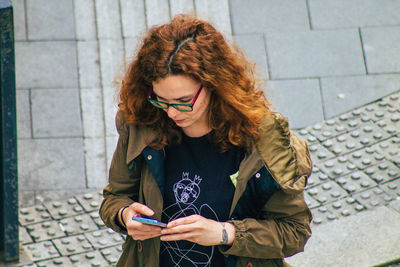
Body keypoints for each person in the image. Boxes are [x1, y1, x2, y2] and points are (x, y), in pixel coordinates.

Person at [100, 14, 313, 267]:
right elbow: (114, 198)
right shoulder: (142, 120)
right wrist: (125, 216)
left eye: (183, 101)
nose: (171, 113)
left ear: (215, 85)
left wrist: (225, 233)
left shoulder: (263, 139)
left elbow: (294, 232)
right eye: (161, 100)